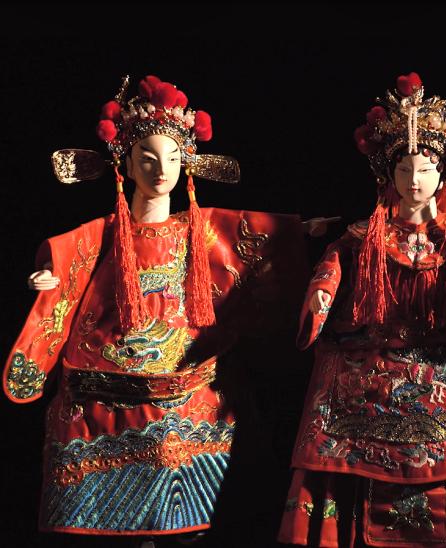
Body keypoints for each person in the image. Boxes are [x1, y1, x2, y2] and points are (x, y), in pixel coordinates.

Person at [4, 74, 306, 544]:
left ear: (186, 163)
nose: (160, 169)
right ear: (125, 163)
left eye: (171, 158)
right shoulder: (105, 233)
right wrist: (50, 273)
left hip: (185, 389)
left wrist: (297, 235)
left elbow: (252, 236)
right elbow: (69, 255)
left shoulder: (201, 229)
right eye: (147, 157)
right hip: (106, 389)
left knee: (184, 523)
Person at [278, 73, 446, 547]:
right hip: (379, 360)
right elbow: (332, 268)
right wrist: (322, 295)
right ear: (389, 176)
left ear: (444, 173)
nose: (414, 181)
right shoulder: (362, 237)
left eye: (424, 170)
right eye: (404, 171)